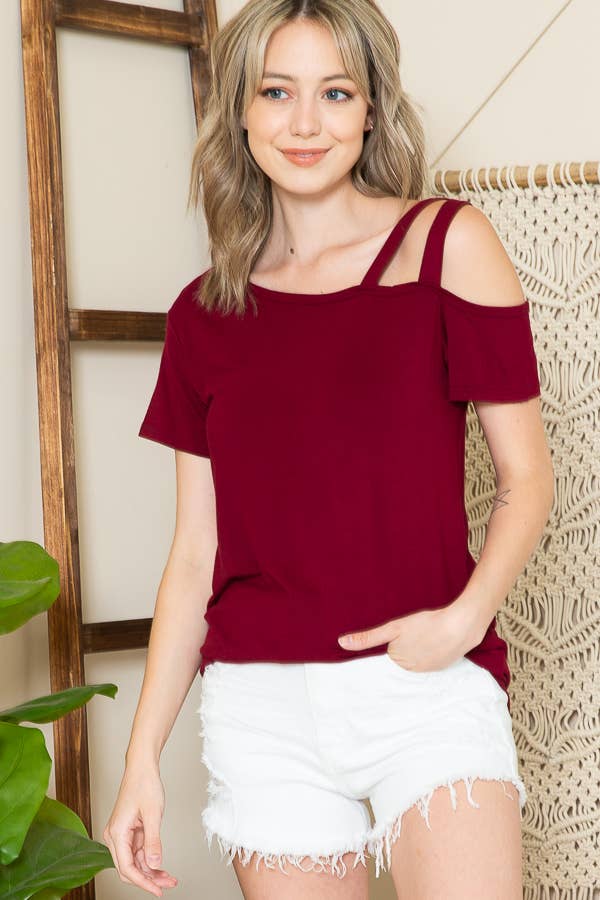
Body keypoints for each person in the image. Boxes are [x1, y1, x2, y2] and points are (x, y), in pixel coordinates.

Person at [103, 1, 554, 897]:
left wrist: (465, 620)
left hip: (425, 688)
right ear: (240, 110)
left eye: (335, 93)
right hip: (262, 712)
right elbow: (194, 556)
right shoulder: (203, 315)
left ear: (372, 109)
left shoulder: (448, 246)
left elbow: (527, 478)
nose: (305, 123)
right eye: (277, 92)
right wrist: (141, 758)